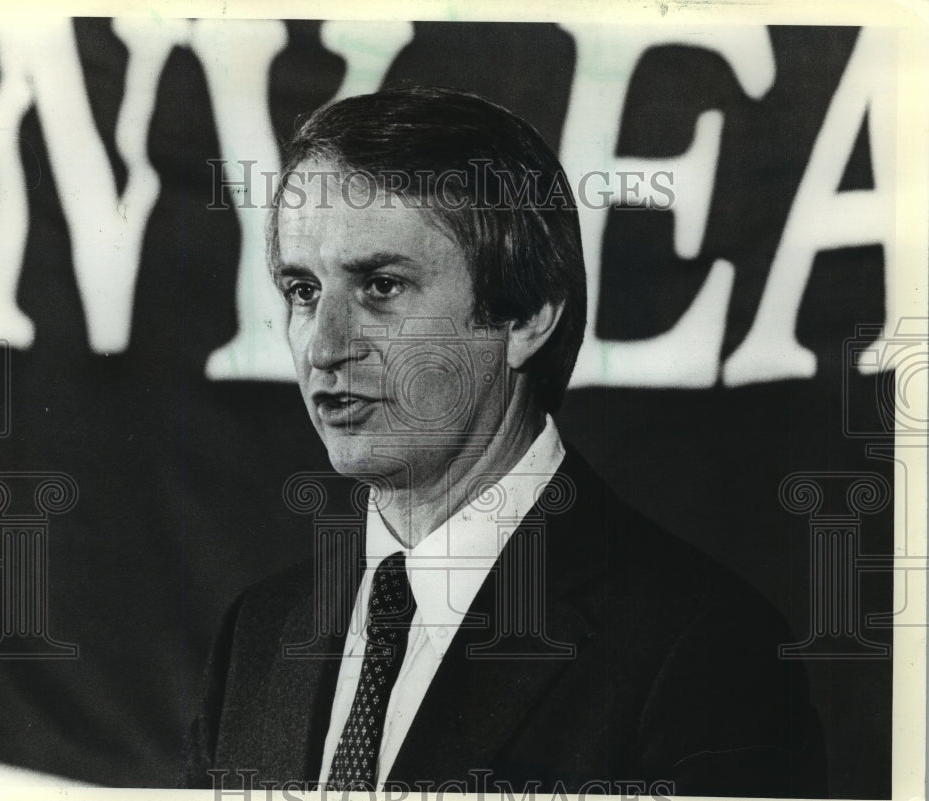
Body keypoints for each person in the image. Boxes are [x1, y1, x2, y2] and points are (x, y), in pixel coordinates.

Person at [184, 86, 827, 797]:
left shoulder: (703, 648)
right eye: (303, 291)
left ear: (526, 315)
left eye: (382, 285)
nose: (325, 346)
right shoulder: (259, 631)